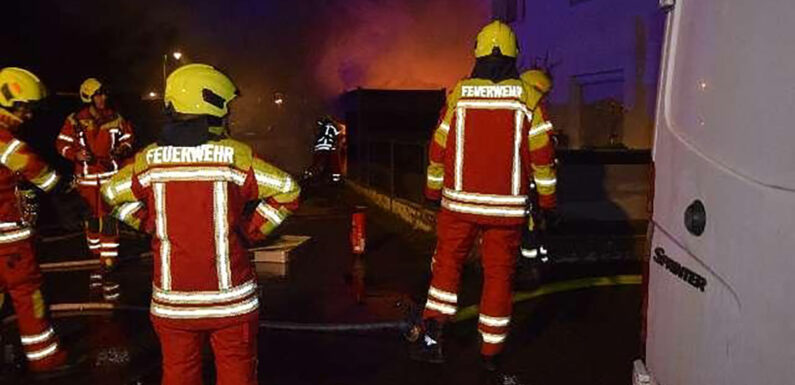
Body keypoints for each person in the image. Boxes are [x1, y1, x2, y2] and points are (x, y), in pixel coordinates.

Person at [102, 63, 300, 385]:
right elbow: (289, 191)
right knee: (237, 374)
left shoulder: (148, 162)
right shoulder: (236, 157)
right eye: (227, 107)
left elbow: (111, 194)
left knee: (179, 375)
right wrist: (251, 230)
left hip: (172, 304)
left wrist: (148, 222)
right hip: (232, 303)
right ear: (213, 105)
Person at [411, 21, 557, 371]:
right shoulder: (528, 100)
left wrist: (433, 191)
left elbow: (437, 150)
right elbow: (542, 159)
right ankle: (490, 355)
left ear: (476, 52)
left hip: (458, 206)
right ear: (513, 55)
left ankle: (432, 339)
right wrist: (548, 204)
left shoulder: (458, 97)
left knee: (446, 268)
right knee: (498, 276)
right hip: (505, 212)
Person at [0, 67, 69, 373]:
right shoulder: (5, 141)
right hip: (8, 237)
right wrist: (64, 187)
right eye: (25, 108)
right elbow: (37, 171)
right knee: (29, 295)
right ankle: (46, 360)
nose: (28, 116)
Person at [56, 78, 134, 301]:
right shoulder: (75, 120)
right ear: (88, 97)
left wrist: (123, 148)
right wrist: (75, 154)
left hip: (110, 180)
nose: (103, 98)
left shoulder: (116, 118)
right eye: (97, 95)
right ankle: (95, 263)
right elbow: (61, 144)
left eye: (104, 94)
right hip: (87, 181)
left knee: (109, 221)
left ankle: (108, 267)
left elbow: (129, 137)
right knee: (91, 223)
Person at [519, 69, 557, 264]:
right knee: (528, 232)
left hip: (497, 187)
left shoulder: (504, 105)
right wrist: (548, 201)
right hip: (526, 187)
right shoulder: (534, 109)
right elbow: (542, 160)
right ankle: (529, 269)